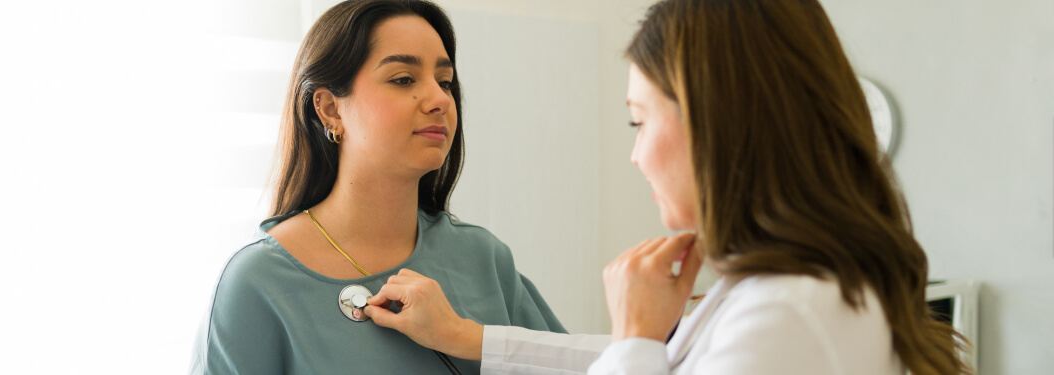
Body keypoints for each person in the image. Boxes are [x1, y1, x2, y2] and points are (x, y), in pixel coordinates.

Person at [362, 0, 971, 374]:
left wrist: (636, 339)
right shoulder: (788, 292)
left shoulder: (788, 313)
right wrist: (463, 336)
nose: (634, 154)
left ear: (717, 120)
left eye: (640, 120)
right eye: (401, 78)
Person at [190, 1, 566, 374]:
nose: (439, 99)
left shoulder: (485, 259)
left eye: (445, 82)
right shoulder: (255, 283)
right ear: (330, 110)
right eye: (403, 79)